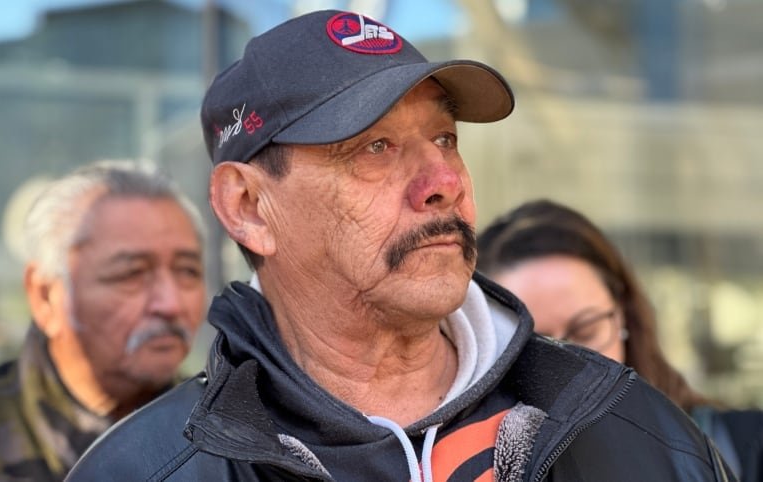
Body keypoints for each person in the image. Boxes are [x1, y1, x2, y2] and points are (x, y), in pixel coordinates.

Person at [67, 10, 734, 481]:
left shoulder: (635, 427)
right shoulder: (143, 470)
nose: (444, 183)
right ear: (248, 207)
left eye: (445, 139)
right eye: (374, 148)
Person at [476, 198, 763, 482]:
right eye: (536, 348)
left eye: (586, 331)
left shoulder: (745, 449)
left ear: (624, 315)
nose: (569, 364)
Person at [0, 160, 208, 482]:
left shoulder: (229, 432)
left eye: (188, 271)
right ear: (45, 295)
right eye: (131, 274)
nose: (170, 304)